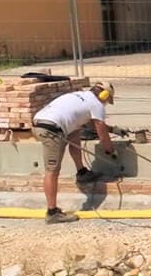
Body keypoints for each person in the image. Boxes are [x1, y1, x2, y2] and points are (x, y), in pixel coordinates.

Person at [31, 82, 117, 224]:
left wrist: (114, 129)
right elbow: (101, 132)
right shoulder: (97, 104)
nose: (107, 103)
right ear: (104, 95)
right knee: (52, 170)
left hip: (41, 123)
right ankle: (52, 212)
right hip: (51, 130)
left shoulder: (79, 95)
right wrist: (110, 151)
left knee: (76, 131)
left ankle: (82, 172)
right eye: (108, 100)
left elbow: (87, 122)